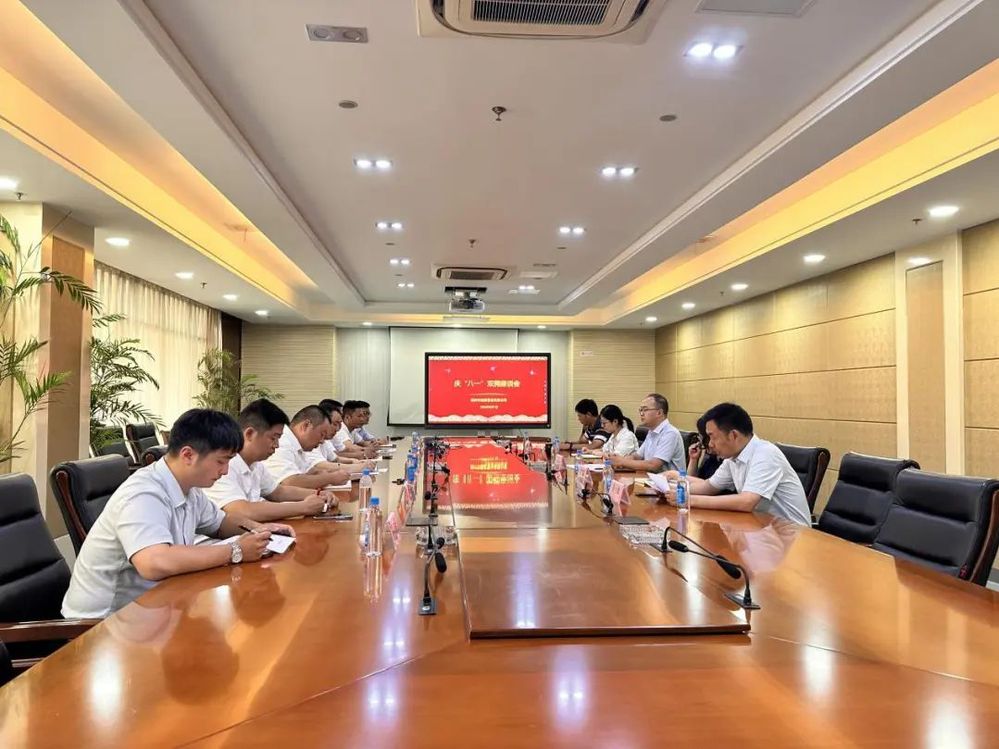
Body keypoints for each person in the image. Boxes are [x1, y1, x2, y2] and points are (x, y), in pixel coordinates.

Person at [62, 409, 295, 619]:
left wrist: (260, 529)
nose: (225, 471)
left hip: (154, 607)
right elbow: (154, 562)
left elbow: (221, 523)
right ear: (188, 455)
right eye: (221, 461)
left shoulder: (189, 487)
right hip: (102, 624)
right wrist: (236, 551)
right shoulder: (143, 493)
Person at [667, 402, 810, 526]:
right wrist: (670, 490)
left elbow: (747, 502)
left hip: (794, 535)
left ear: (733, 435)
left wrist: (689, 500)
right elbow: (708, 487)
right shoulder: (732, 458)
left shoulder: (765, 453)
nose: (710, 444)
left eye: (712, 437)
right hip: (762, 527)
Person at [206, 399, 337, 522]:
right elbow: (242, 510)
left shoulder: (256, 464)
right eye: (273, 438)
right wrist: (303, 507)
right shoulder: (224, 465)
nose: (277, 445)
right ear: (250, 434)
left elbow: (277, 492)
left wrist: (319, 494)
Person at [264, 405, 351, 490]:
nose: (322, 441)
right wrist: (330, 478)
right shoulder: (282, 441)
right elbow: (289, 482)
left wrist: (324, 473)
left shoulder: (298, 444)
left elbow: (309, 470)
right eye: (322, 434)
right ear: (306, 425)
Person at [608, 393, 684, 473]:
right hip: (650, 478)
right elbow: (637, 456)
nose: (641, 414)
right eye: (640, 410)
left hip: (669, 480)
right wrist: (620, 460)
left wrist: (622, 462)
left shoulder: (670, 433)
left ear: (659, 413)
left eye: (645, 410)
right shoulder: (651, 432)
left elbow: (653, 465)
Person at [687, 415, 723, 480]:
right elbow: (691, 480)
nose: (700, 442)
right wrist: (693, 459)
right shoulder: (712, 459)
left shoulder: (728, 461)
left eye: (702, 437)